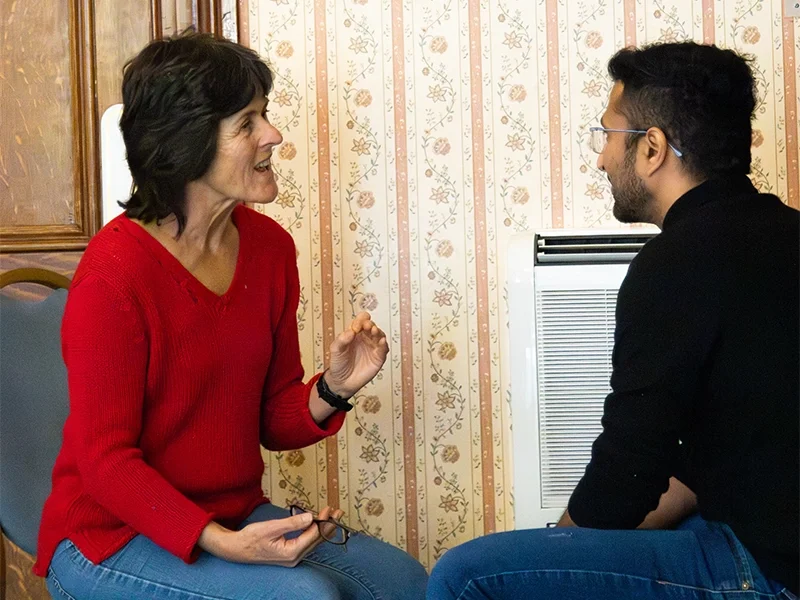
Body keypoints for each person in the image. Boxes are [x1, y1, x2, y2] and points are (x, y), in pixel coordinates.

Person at [34, 31, 428, 600]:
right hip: (108, 539)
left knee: (402, 582)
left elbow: (271, 418)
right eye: (248, 123)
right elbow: (105, 462)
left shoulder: (269, 250)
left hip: (231, 515)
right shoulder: (113, 276)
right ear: (187, 143)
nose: (274, 135)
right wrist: (221, 541)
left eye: (263, 115)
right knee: (307, 599)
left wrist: (334, 388)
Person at [427, 41, 798, 600]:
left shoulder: (675, 265)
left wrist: (560, 549)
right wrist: (564, 546)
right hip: (770, 537)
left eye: (608, 135)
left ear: (652, 149)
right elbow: (708, 464)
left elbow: (630, 468)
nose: (600, 158)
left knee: (465, 576)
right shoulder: (786, 235)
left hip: (770, 569)